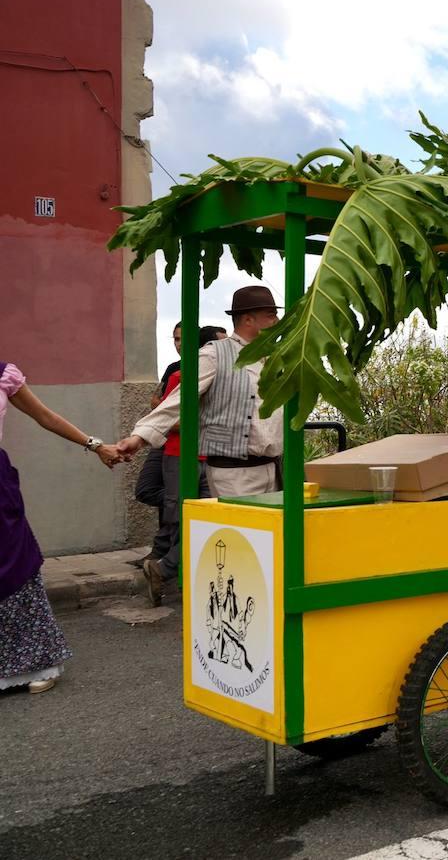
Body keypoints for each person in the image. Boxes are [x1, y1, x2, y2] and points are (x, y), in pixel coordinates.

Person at [117, 286, 287, 604]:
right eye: (270, 315)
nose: (276, 320)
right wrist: (139, 437)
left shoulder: (274, 358)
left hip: (271, 470)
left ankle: (261, 607)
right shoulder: (214, 354)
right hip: (232, 472)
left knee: (267, 545)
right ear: (249, 319)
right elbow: (177, 403)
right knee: (239, 544)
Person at [1, 360, 123, 694]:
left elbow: (46, 416)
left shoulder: (3, 375)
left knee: (15, 570)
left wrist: (96, 445)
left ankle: (35, 662)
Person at [138, 327, 218, 598]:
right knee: (178, 517)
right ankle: (167, 568)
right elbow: (165, 417)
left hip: (210, 456)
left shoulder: (219, 375)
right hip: (179, 454)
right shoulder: (178, 375)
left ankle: (164, 568)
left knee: (204, 520)